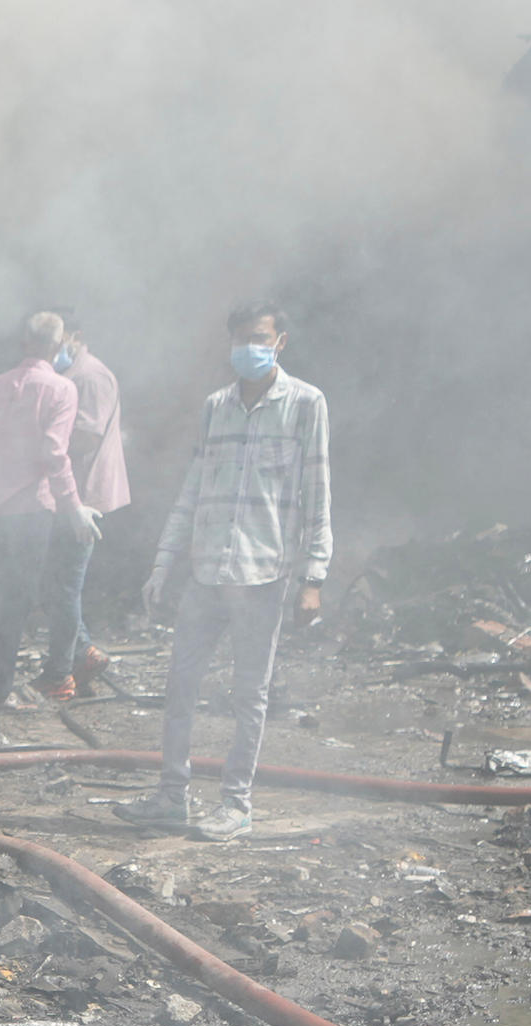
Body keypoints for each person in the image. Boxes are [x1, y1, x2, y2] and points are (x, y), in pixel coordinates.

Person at [145, 302, 329, 836]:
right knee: (180, 686)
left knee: (250, 696)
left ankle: (237, 804)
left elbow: (317, 495)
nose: (248, 347)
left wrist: (313, 577)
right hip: (206, 572)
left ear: (280, 342)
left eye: (259, 337)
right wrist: (164, 561)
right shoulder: (215, 407)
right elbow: (193, 488)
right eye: (240, 339)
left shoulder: (305, 404)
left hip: (262, 576)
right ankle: (171, 795)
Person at [0, 314, 82, 708]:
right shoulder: (62, 389)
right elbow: (54, 452)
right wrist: (73, 507)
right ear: (58, 346)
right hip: (29, 512)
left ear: (25, 342)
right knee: (14, 602)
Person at [60, 311, 130, 685]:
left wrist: (42, 449)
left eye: (59, 337)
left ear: (76, 335)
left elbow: (86, 436)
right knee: (58, 580)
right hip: (71, 492)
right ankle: (78, 652)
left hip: (84, 495)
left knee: (64, 582)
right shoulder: (73, 374)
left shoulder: (90, 376)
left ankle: (76, 658)